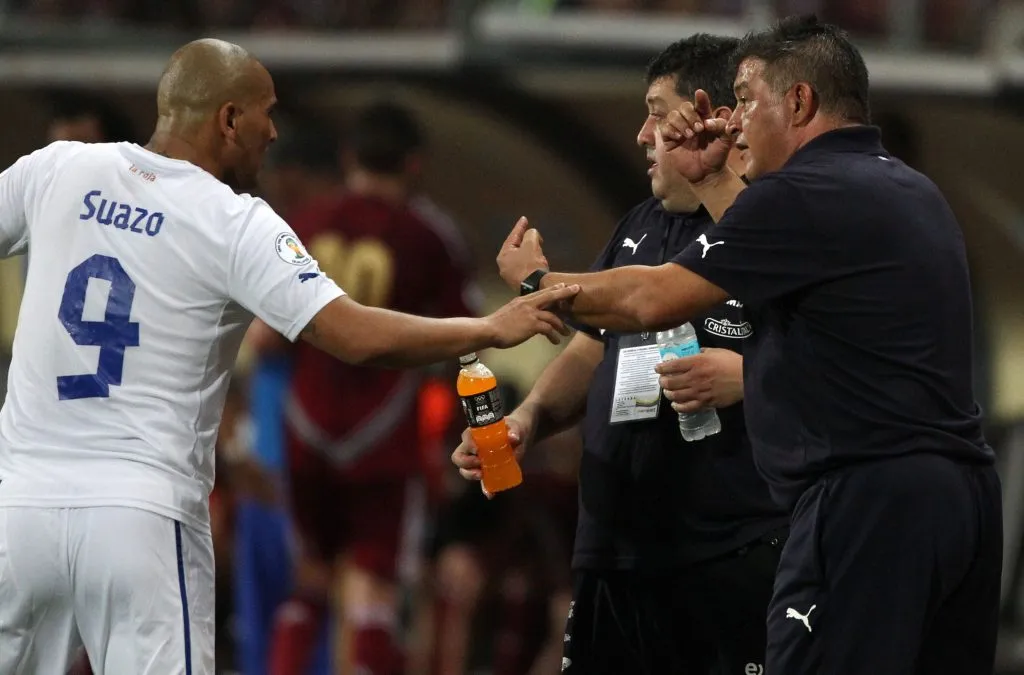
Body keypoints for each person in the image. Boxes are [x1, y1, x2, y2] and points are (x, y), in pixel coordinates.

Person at [0, 38, 577, 675]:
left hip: (19, 509)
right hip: (141, 515)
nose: (274, 132)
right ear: (228, 119)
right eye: (266, 113)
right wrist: (491, 327)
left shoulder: (55, 169)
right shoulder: (234, 222)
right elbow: (355, 335)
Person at [491, 15, 1002, 675]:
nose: (732, 123)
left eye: (745, 100)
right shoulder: (911, 189)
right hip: (959, 500)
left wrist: (536, 282)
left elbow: (650, 299)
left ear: (799, 101)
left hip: (859, 503)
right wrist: (712, 180)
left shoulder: (800, 193)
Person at [453, 34, 789, 675]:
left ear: (706, 117)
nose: (641, 135)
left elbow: (814, 342)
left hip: (730, 544)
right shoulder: (638, 224)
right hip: (615, 550)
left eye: (657, 115)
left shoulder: (766, 224)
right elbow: (591, 349)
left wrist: (538, 284)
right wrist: (528, 419)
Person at [263, 100, 483, 675]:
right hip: (383, 437)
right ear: (414, 164)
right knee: (375, 591)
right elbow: (467, 340)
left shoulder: (306, 223)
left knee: (310, 579)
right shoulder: (427, 235)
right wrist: (468, 431)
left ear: (348, 158)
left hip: (305, 426)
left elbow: (265, 339)